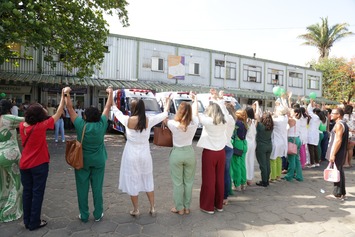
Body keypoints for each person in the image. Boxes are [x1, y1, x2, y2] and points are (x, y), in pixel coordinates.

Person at [112, 96, 170, 216]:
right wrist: (167, 101)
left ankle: (136, 209)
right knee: (148, 179)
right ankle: (152, 207)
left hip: (131, 154)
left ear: (132, 108)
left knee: (133, 181)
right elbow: (165, 114)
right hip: (145, 154)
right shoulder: (148, 120)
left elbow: (115, 110)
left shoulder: (127, 120)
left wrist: (110, 94)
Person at [64, 86, 112, 223]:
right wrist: (110, 93)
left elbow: (70, 109)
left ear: (85, 116)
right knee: (97, 188)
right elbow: (107, 107)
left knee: (82, 188)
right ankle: (98, 214)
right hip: (99, 161)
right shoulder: (102, 124)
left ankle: (84, 215)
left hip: (82, 161)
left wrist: (67, 93)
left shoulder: (81, 125)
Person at [19, 90, 65, 231]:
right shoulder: (41, 127)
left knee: (27, 193)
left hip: (24, 164)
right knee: (37, 193)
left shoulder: (22, 126)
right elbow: (58, 113)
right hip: (39, 165)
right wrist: (63, 96)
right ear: (40, 116)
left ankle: (27, 221)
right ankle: (34, 223)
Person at [196, 89, 230, 214]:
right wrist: (217, 98)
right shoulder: (224, 121)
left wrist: (195, 100)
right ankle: (219, 205)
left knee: (209, 180)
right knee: (219, 179)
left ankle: (208, 206)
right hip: (221, 152)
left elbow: (197, 114)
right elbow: (224, 110)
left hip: (210, 153)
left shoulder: (208, 122)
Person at [167, 98, 198, 215]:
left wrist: (167, 102)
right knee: (189, 182)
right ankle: (187, 207)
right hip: (189, 152)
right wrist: (195, 99)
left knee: (177, 183)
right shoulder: (194, 123)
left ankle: (179, 208)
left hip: (177, 153)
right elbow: (195, 113)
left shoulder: (173, 124)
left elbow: (165, 117)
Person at [0, 99, 25, 222]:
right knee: (17, 183)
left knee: (3, 183)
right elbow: (29, 120)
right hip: (10, 155)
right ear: (10, 108)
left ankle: (2, 206)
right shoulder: (9, 118)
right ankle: (10, 211)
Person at [326, 108, 349, 200]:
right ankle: (342, 192)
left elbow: (338, 140)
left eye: (333, 113)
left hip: (338, 151)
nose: (331, 115)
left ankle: (337, 193)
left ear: (339, 115)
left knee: (336, 171)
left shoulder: (339, 125)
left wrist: (333, 154)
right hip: (341, 151)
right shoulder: (343, 124)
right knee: (339, 170)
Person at [283, 109, 303, 181]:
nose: (290, 112)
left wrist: (286, 115)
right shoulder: (299, 120)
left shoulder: (292, 120)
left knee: (291, 159)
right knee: (297, 159)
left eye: (291, 111)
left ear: (295, 113)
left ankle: (289, 175)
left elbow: (286, 123)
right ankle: (299, 175)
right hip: (297, 139)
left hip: (292, 139)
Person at [230, 109, 248, 191]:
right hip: (244, 144)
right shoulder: (245, 123)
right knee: (242, 164)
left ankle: (237, 184)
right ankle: (243, 182)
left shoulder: (237, 123)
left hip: (237, 144)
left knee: (236, 165)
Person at [255, 110, 274, 187]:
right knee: (267, 163)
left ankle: (264, 181)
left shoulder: (260, 126)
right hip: (269, 145)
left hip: (261, 146)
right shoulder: (271, 126)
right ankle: (267, 179)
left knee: (263, 165)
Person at [223, 102, 237, 205]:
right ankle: (226, 195)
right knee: (226, 173)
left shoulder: (227, 120)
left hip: (223, 147)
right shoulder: (232, 119)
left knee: (223, 173)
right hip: (229, 147)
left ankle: (224, 196)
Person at [270, 107, 288, 181]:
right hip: (283, 141)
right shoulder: (285, 118)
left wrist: (273, 115)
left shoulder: (276, 120)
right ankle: (278, 175)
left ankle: (273, 176)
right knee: (279, 159)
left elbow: (270, 119)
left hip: (276, 141)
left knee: (273, 159)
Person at [245, 105, 257, 186]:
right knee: (250, 160)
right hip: (253, 143)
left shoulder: (247, 121)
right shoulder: (253, 121)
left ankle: (246, 177)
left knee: (245, 161)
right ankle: (249, 177)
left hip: (247, 142)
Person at [307, 100, 321, 167]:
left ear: (315, 112)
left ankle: (312, 163)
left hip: (311, 134)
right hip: (316, 134)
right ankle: (317, 162)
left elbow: (309, 111)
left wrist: (311, 102)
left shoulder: (315, 117)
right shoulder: (320, 117)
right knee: (315, 148)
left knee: (311, 149)